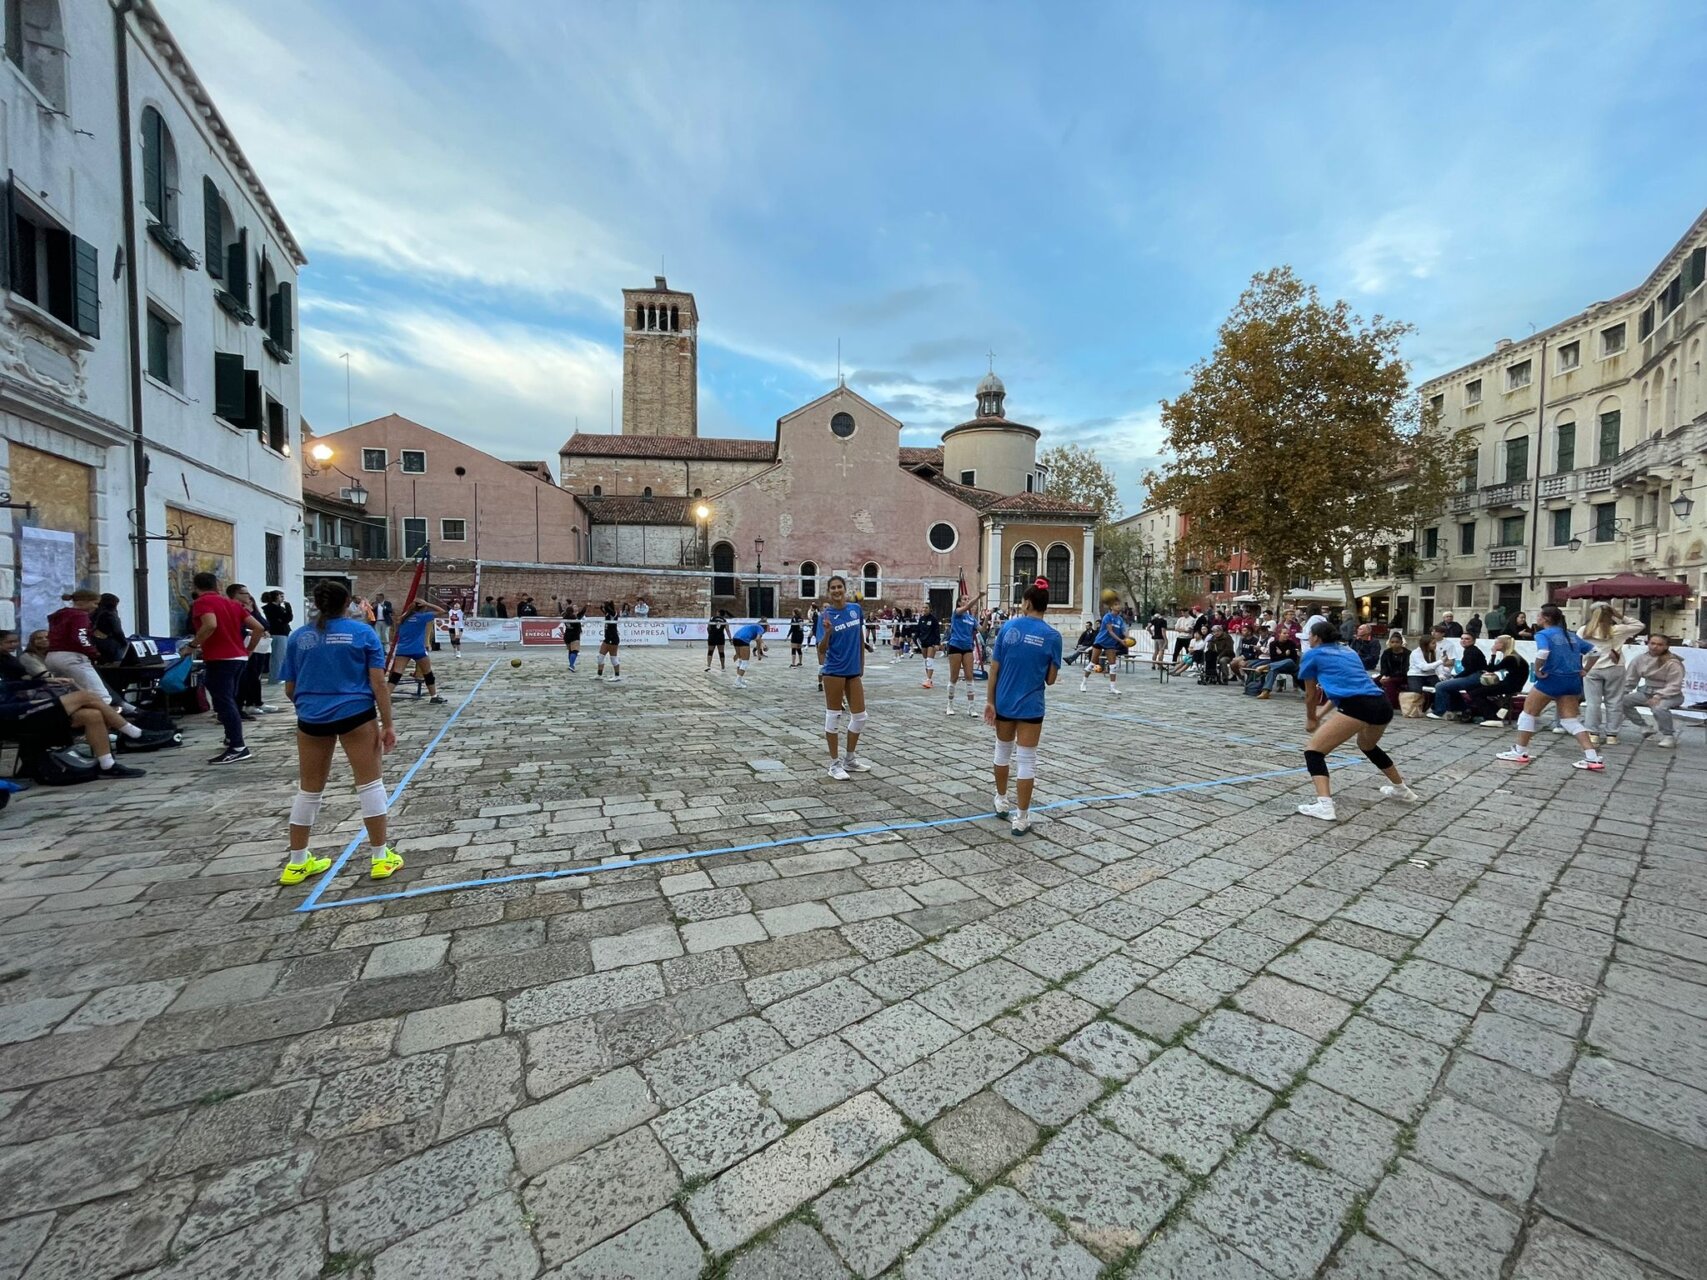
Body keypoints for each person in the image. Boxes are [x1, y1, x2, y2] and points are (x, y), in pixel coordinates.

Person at [275, 579, 402, 885]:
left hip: (311, 718)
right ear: (349, 604)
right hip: (355, 714)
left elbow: (290, 687)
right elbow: (378, 683)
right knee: (370, 785)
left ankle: (297, 861)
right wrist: (388, 724)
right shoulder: (362, 634)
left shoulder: (299, 638)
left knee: (309, 790)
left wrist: (310, 705)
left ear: (317, 604)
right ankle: (380, 857)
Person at [1295, 620, 1418, 821]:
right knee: (1367, 745)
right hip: (1381, 703)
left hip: (1359, 706)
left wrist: (1310, 718)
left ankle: (1324, 805)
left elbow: (1310, 695)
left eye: (1309, 635)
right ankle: (1401, 789)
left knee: (1313, 751)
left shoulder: (1312, 655)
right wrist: (1320, 716)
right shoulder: (1348, 652)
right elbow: (1344, 691)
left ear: (1316, 637)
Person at [985, 583, 1062, 837]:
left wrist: (990, 702)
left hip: (1004, 700)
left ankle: (1000, 798)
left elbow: (993, 669)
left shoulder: (1008, 628)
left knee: (1002, 752)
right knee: (1027, 760)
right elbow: (1050, 680)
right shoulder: (1053, 636)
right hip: (1031, 705)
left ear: (1027, 603)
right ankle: (1022, 818)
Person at [1497, 604, 1602, 771]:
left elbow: (1543, 653)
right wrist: (1585, 669)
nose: (1536, 619)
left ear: (1546, 618)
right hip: (1572, 680)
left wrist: (1537, 669)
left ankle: (1520, 751)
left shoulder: (1543, 634)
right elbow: (1596, 651)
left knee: (1528, 713)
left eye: (1539, 616)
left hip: (1552, 678)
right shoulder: (1571, 635)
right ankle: (1592, 757)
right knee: (1570, 720)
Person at [186, 572, 265, 764]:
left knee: (223, 701)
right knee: (230, 698)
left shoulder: (202, 602)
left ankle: (238, 746)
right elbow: (259, 628)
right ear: (217, 585)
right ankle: (231, 737)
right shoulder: (231, 604)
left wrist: (193, 645)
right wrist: (249, 650)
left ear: (196, 587)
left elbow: (210, 624)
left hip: (220, 657)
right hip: (238, 656)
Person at [816, 575, 870, 781]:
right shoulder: (825, 616)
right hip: (834, 671)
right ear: (829, 592)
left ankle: (849, 758)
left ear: (845, 589)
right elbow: (821, 648)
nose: (837, 591)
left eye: (839, 587)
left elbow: (860, 639)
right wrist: (828, 633)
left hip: (853, 670)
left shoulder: (855, 610)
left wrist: (861, 665)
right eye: (833, 588)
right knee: (833, 716)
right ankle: (834, 763)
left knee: (860, 716)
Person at [1580, 603, 1644, 744]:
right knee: (1614, 702)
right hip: (1615, 667)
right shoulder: (1618, 630)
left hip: (1592, 667)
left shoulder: (1584, 630)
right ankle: (1612, 735)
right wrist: (1620, 615)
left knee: (1592, 703)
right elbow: (1639, 625)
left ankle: (1593, 733)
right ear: (1611, 615)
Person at [1612, 634, 1686, 748]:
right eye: (1652, 643)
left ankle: (1668, 736)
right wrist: (1622, 692)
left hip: (1670, 695)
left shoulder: (1673, 662)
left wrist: (1659, 695)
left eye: (1660, 644)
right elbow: (1630, 679)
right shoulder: (1640, 659)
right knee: (1621, 701)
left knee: (1659, 708)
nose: (1655, 647)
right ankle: (1644, 726)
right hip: (1646, 692)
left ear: (1666, 646)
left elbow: (1675, 684)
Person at [45, 589, 114, 702]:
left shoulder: (59, 615)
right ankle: (101, 719)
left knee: (69, 696)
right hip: (71, 657)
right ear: (83, 602)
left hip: (52, 656)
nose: (96, 607)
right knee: (101, 696)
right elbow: (80, 637)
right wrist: (94, 653)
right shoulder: (79, 615)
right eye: (95, 603)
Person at [227, 583, 276, 716]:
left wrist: (252, 611)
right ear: (236, 595)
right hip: (240, 648)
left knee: (254, 676)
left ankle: (253, 702)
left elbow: (263, 625)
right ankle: (240, 707)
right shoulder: (231, 608)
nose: (248, 596)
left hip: (256, 648)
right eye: (245, 593)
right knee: (242, 679)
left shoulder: (249, 610)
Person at [389, 597, 448, 705]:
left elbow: (400, 622)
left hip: (403, 649)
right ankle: (434, 696)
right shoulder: (422, 617)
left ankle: (386, 696)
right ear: (423, 608)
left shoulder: (403, 618)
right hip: (418, 649)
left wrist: (413, 606)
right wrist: (428, 603)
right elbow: (442, 611)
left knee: (396, 674)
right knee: (428, 673)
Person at [1471, 635, 1529, 725]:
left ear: (1502, 644)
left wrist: (1493, 654)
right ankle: (1495, 713)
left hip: (1510, 685)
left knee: (1476, 693)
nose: (1494, 645)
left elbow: (1490, 668)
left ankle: (1492, 717)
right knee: (1479, 690)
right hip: (1512, 683)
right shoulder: (1514, 656)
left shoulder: (1510, 658)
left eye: (1496, 643)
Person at [1428, 633, 1488, 720]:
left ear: (1474, 641)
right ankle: (1462, 708)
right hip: (1474, 675)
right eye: (1462, 638)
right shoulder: (1469, 650)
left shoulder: (1472, 651)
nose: (1463, 640)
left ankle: (1439, 711)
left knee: (1440, 686)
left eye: (1467, 639)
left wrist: (1455, 678)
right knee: (1450, 687)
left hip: (1475, 676)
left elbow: (1470, 669)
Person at [1082, 590, 1128, 696]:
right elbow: (1110, 631)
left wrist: (1128, 638)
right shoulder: (1108, 617)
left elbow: (1124, 631)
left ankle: (1112, 687)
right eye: (1115, 605)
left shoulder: (1120, 619)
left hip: (1110, 644)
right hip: (1101, 641)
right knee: (1093, 663)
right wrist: (1121, 641)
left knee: (1113, 665)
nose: (1118, 606)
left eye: (1119, 604)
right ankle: (1084, 683)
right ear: (1111, 607)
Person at [944, 595, 981, 715]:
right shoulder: (957, 613)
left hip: (967, 647)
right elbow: (967, 607)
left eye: (968, 599)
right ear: (959, 603)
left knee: (969, 676)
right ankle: (950, 704)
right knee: (954, 677)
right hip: (955, 645)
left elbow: (982, 629)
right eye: (964, 599)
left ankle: (971, 707)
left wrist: (987, 619)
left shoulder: (971, 618)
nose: (967, 601)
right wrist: (979, 596)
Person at [1254, 629, 1300, 698]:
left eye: (1288, 633)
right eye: (1284, 633)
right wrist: (1285, 654)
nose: (1287, 635)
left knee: (1289, 661)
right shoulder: (1273, 644)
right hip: (1277, 665)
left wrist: (1281, 654)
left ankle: (1266, 666)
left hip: (1291, 667)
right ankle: (1266, 691)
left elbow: (1293, 659)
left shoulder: (1291, 644)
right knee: (1273, 669)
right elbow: (1273, 659)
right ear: (1279, 634)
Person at [264, 590, 295, 682]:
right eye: (281, 596)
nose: (283, 598)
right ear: (276, 597)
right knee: (278, 656)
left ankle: (276, 676)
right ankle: (276, 677)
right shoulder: (273, 608)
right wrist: (288, 608)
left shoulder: (277, 608)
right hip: (278, 633)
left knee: (280, 656)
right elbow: (287, 618)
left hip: (281, 632)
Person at [89, 593, 128, 665]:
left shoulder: (94, 613)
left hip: (95, 642)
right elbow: (117, 631)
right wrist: (124, 642)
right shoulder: (110, 614)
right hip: (109, 643)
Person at [730, 618, 768, 689]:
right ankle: (737, 682)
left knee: (740, 660)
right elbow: (757, 639)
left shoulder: (754, 626)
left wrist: (759, 652)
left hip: (735, 638)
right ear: (765, 626)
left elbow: (758, 640)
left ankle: (739, 679)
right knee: (745, 662)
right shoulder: (761, 628)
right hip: (743, 640)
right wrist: (760, 652)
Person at [1377, 632, 1409, 709]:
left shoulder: (1407, 653)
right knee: (1374, 681)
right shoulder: (1386, 653)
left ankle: (1392, 703)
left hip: (1403, 676)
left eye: (1397, 642)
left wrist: (1390, 677)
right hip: (1388, 675)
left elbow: (1406, 668)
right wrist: (1384, 675)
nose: (1394, 644)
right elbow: (1383, 667)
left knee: (1390, 682)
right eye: (1392, 642)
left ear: (1401, 643)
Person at [596, 602, 624, 683]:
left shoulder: (614, 614)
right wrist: (601, 607)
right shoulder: (607, 613)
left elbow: (609, 610)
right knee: (600, 657)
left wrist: (606, 605)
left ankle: (617, 676)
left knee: (613, 659)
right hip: (607, 638)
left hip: (613, 639)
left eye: (606, 607)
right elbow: (604, 611)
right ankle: (599, 675)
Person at [915, 607, 942, 689]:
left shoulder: (933, 619)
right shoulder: (921, 619)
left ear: (930, 609)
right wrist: (914, 639)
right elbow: (918, 630)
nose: (924, 609)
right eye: (923, 608)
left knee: (930, 660)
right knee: (926, 661)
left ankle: (928, 679)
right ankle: (928, 678)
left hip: (932, 642)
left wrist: (937, 643)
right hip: (924, 642)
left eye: (926, 608)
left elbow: (937, 631)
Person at [561, 602, 585, 671]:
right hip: (574, 636)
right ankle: (571, 665)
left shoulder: (565, 617)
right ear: (572, 611)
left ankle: (571, 665)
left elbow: (561, 611)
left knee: (570, 651)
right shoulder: (574, 618)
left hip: (567, 636)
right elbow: (578, 626)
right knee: (575, 651)